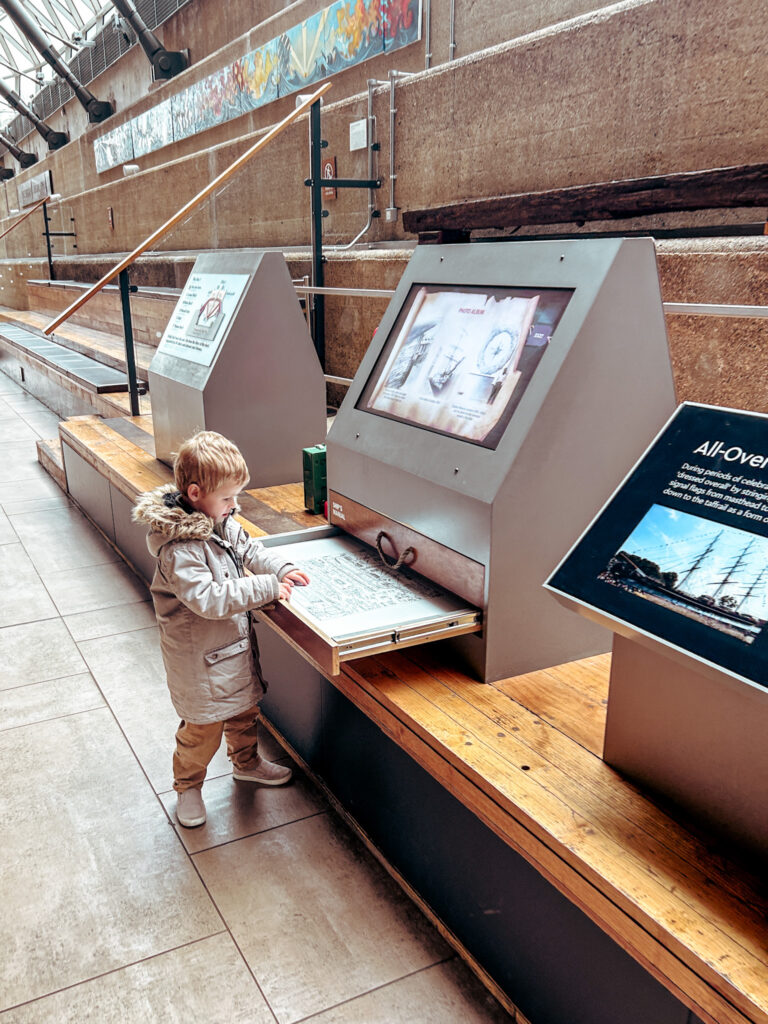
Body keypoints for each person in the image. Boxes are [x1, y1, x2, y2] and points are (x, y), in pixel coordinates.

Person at [132, 430, 309, 828]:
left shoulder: (218, 519)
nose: (235, 505)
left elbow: (249, 549)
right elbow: (208, 599)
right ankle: (188, 786)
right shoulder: (179, 548)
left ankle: (246, 764)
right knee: (202, 730)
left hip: (230, 651)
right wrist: (266, 587)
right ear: (195, 494)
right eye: (228, 497)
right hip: (199, 663)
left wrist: (280, 569)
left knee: (244, 713)